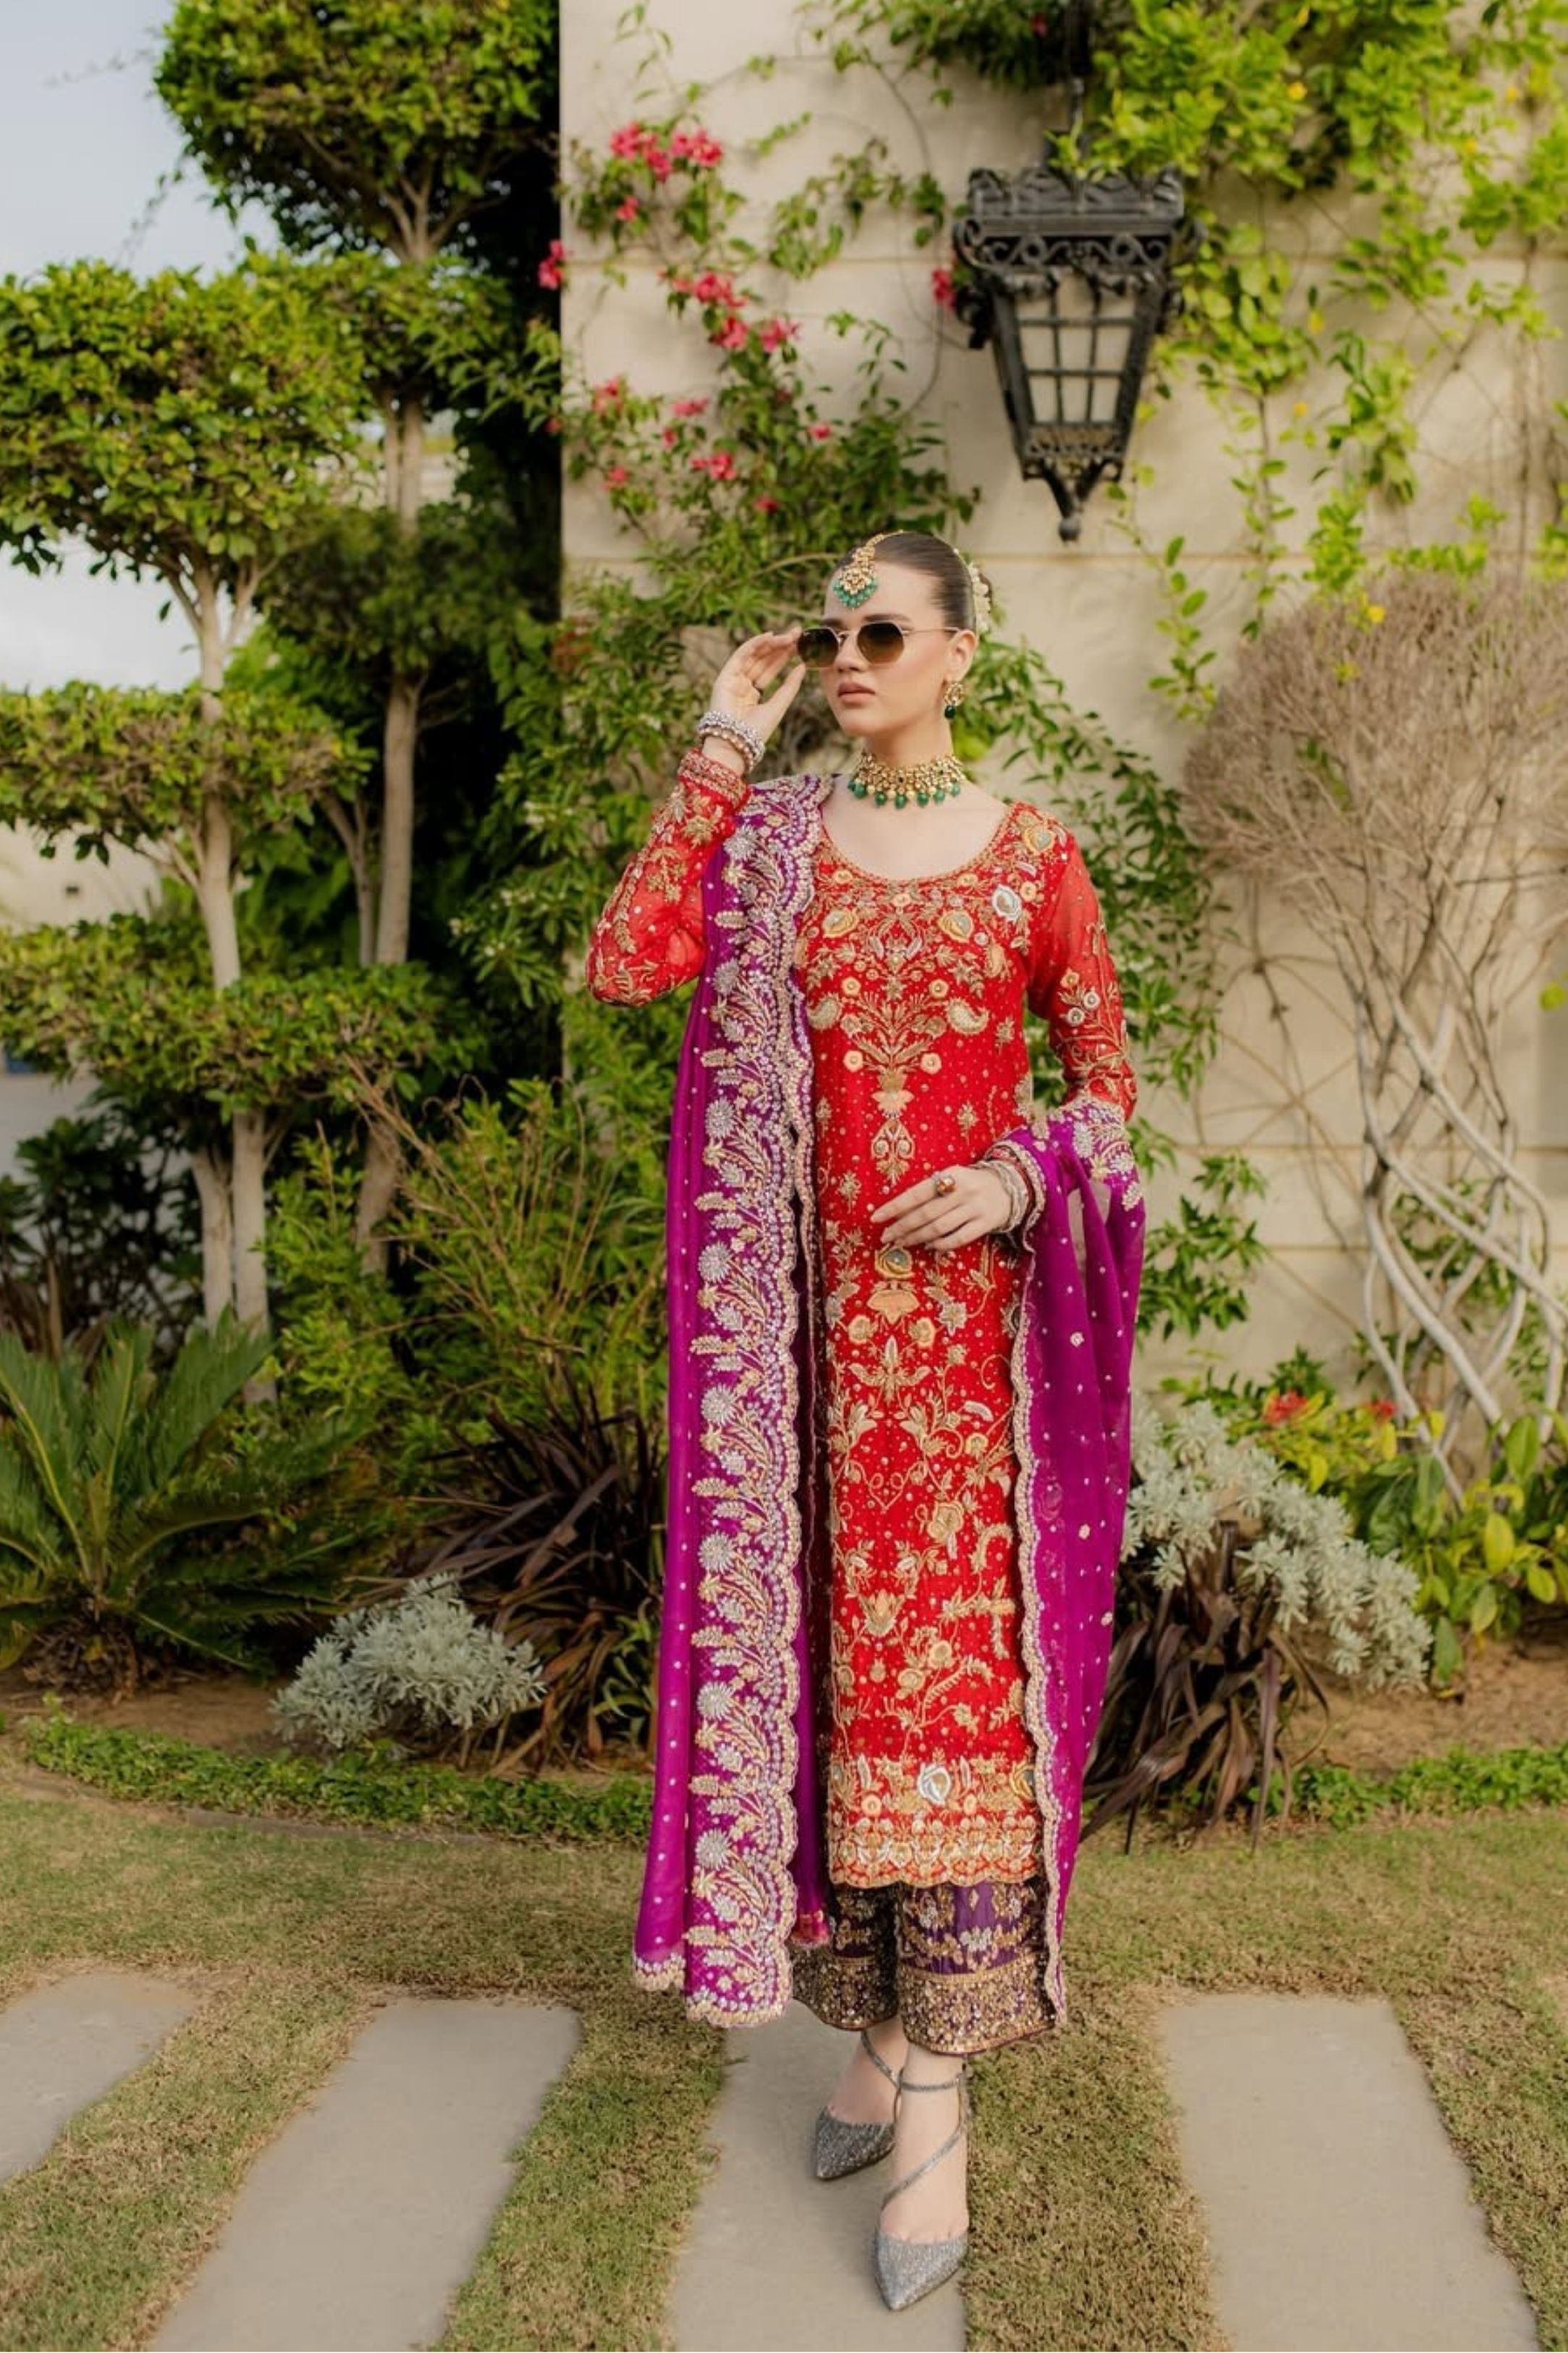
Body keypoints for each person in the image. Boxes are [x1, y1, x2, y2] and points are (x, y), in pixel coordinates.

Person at [585, 528, 1144, 2312]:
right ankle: (885, 2040)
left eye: (881, 630)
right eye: (833, 629)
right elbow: (624, 959)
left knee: (948, 1717)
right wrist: (724, 730)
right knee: (828, 1714)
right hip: (803, 1393)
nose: (848, 653)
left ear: (959, 656)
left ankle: (937, 2115)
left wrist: (1013, 1171)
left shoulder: (1036, 862)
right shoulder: (767, 845)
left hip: (969, 1387)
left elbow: (1110, 1091)